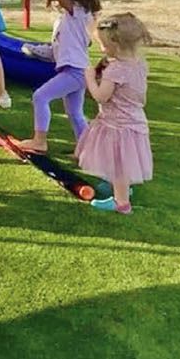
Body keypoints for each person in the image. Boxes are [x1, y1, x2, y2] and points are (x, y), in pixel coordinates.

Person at [16, 0, 102, 154]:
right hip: (77, 70)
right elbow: (56, 51)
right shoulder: (67, 21)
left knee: (40, 97)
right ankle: (87, 150)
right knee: (75, 113)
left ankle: (40, 141)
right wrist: (34, 50)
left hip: (75, 70)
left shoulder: (78, 13)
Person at [76, 13, 154, 214]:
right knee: (122, 161)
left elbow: (101, 96)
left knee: (119, 164)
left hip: (117, 126)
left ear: (116, 45)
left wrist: (90, 78)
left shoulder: (116, 70)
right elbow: (142, 97)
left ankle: (121, 203)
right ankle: (122, 188)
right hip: (134, 122)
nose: (102, 49)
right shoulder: (139, 63)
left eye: (103, 44)